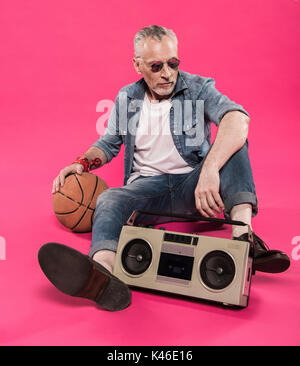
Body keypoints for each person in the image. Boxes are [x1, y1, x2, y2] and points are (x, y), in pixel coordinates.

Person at [39, 25, 290, 311]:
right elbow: (109, 143)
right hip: (147, 194)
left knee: (235, 142)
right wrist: (81, 163)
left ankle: (243, 240)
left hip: (195, 190)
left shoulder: (198, 88)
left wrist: (209, 170)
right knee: (108, 198)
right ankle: (103, 275)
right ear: (137, 65)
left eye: (173, 63)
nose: (167, 73)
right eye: (156, 66)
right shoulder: (127, 98)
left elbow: (238, 119)